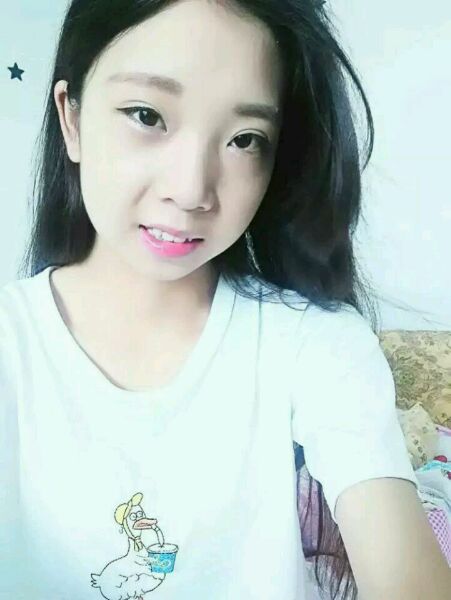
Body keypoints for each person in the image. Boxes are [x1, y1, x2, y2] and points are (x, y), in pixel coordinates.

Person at [1, 1, 449, 599]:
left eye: (244, 140)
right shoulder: (13, 345)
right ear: (72, 118)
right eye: (147, 115)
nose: (191, 190)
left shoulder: (316, 344)